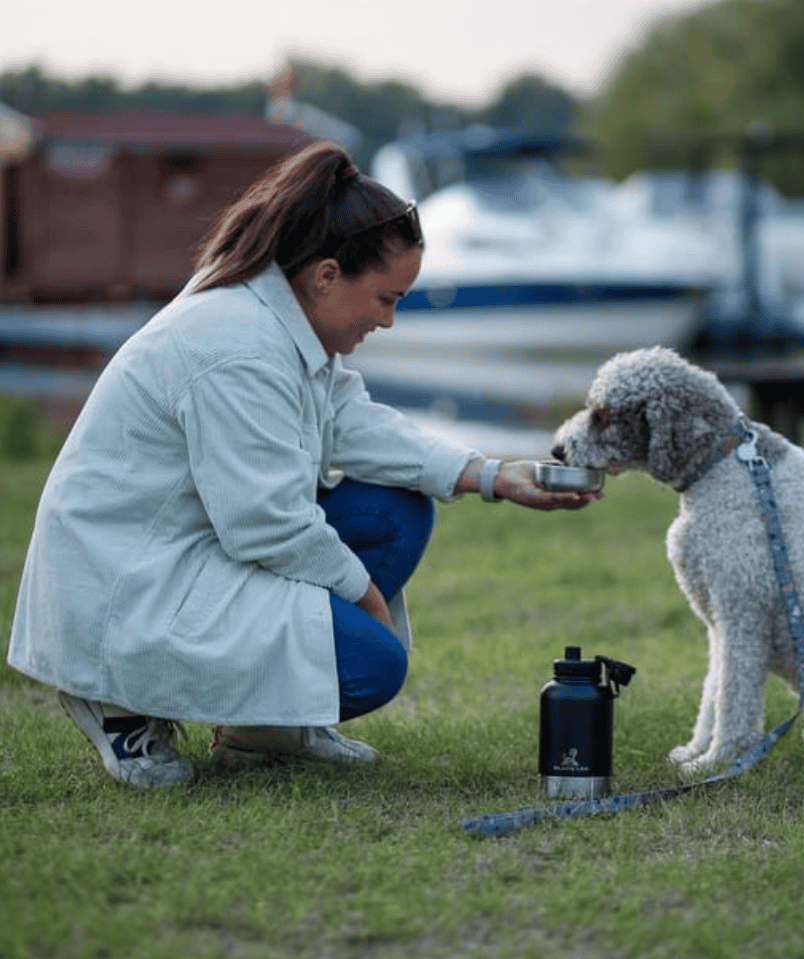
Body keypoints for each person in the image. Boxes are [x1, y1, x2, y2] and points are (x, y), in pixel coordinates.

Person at [6, 141, 599, 787]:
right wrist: (366, 597)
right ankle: (114, 697)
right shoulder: (238, 348)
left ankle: (265, 728)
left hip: (187, 553)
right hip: (126, 587)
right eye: (385, 298)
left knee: (393, 507)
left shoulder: (280, 323)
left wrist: (490, 475)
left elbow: (350, 423)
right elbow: (264, 524)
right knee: (373, 663)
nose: (390, 321)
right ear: (325, 277)